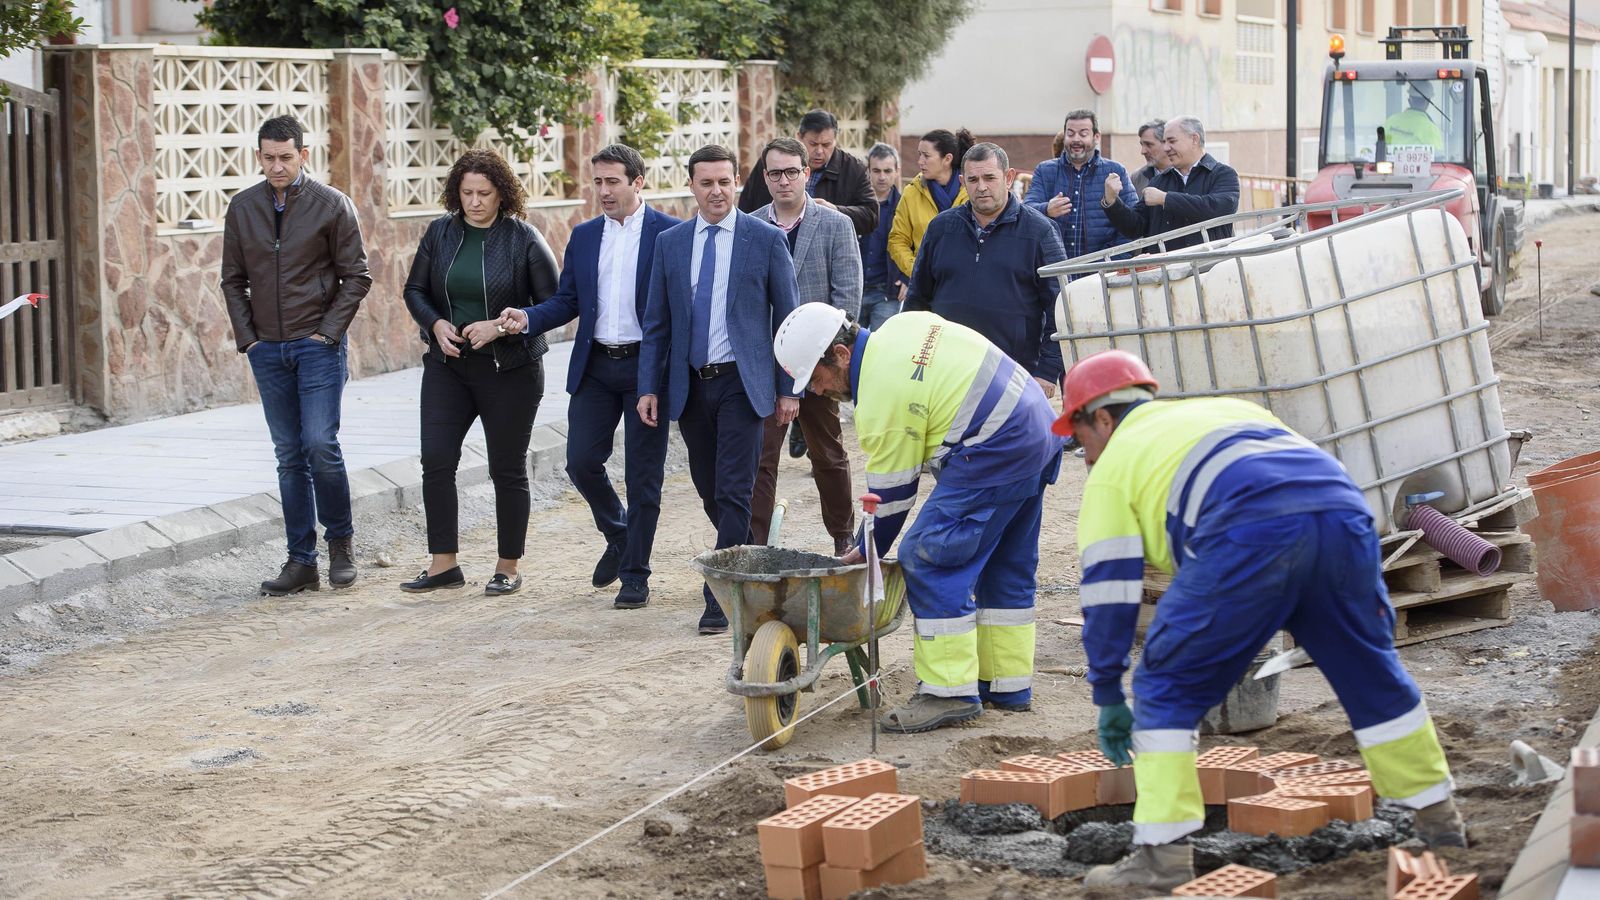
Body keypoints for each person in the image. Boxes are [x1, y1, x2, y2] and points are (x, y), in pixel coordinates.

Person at [1058, 349, 1467, 889]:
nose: (1082, 455)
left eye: (1079, 436)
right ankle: (1440, 822)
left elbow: (1110, 593)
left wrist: (1108, 690)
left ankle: (1159, 861)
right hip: (1343, 518)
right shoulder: (1228, 410)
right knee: (1373, 676)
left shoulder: (1114, 466)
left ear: (1103, 418)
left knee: (1163, 687)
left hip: (1246, 534)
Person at [772, 305, 1062, 731]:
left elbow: (890, 498)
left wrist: (862, 550)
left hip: (997, 446)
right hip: (1037, 428)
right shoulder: (902, 327)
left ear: (840, 354)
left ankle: (947, 693)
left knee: (928, 556)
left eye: (816, 379)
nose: (816, 392)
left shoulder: (880, 395)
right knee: (1004, 564)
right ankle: (1007, 686)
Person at [497, 144, 679, 610]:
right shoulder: (584, 235)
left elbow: (678, 313)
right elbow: (568, 301)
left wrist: (661, 378)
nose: (603, 191)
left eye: (612, 181)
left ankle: (635, 574)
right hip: (596, 366)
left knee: (644, 477)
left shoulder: (670, 235)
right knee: (580, 461)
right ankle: (618, 533)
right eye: (597, 182)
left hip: (646, 368)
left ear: (638, 182)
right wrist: (530, 317)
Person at [636, 145, 800, 635]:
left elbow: (788, 318)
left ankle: (720, 597)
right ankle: (749, 551)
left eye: (724, 182)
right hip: (690, 385)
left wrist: (789, 389)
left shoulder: (764, 239)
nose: (716, 191)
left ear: (736, 184)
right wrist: (649, 385)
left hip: (743, 383)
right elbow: (657, 323)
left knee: (733, 492)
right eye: (706, 183)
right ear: (692, 186)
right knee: (710, 490)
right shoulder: (671, 243)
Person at [222, 115, 371, 596]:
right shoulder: (243, 208)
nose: (277, 166)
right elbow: (232, 279)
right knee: (289, 456)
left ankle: (341, 547)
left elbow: (358, 276)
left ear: (303, 155)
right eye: (268, 157)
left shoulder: (332, 205)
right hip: (268, 349)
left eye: (286, 157)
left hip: (317, 348)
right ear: (259, 155)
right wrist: (251, 340)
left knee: (319, 445)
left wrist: (327, 334)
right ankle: (300, 561)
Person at [399, 149, 558, 596]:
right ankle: (443, 564)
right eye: (466, 193)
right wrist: (434, 323)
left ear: (501, 193)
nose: (474, 202)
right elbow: (414, 290)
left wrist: (502, 327)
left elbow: (554, 305)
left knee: (506, 469)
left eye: (483, 193)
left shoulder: (523, 238)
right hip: (448, 367)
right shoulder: (439, 233)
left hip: (510, 370)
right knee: (436, 461)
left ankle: (507, 565)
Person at [747, 138, 862, 554]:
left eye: (792, 171)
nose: (783, 180)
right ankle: (756, 547)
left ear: (806, 174)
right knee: (762, 459)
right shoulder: (752, 225)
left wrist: (823, 358)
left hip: (818, 365)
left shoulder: (834, 225)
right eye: (775, 173)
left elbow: (847, 297)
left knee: (827, 454)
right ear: (765, 177)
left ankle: (843, 537)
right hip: (765, 364)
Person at [903, 143, 1065, 398]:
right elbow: (917, 299)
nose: (981, 187)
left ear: (1008, 177)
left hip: (1013, 373)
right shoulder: (941, 229)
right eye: (973, 179)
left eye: (990, 177)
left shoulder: (1039, 232)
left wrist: (1047, 370)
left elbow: (1059, 306)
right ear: (962, 182)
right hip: (947, 371)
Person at [1104, 115, 1240, 251]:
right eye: (1164, 142)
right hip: (1165, 270)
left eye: (1172, 141)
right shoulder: (1159, 181)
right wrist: (1112, 201)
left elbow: (1217, 209)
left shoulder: (1223, 174)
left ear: (1194, 139)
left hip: (1209, 269)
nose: (1166, 148)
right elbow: (1135, 227)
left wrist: (1165, 199)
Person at [739, 108, 877, 236]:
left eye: (826, 145)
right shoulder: (772, 162)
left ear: (835, 140)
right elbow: (746, 209)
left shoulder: (854, 169)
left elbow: (871, 216)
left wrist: (835, 210)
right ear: (799, 136)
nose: (819, 151)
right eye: (813, 144)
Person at [1024, 109, 1138, 261]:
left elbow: (1132, 224)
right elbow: (1026, 210)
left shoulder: (1115, 171)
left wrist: (1111, 262)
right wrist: (1046, 209)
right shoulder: (1045, 171)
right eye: (1070, 134)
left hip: (1102, 272)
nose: (1076, 139)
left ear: (1096, 137)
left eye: (1083, 134)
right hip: (1055, 270)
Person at [887, 128, 972, 303]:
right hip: (924, 289)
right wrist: (917, 270)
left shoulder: (971, 191)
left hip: (966, 286)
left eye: (926, 156)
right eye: (919, 155)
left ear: (947, 159)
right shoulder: (912, 192)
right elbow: (897, 240)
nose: (920, 161)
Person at [858, 142, 907, 330]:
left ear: (897, 171)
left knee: (881, 348)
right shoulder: (856, 204)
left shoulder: (905, 206)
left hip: (887, 291)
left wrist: (908, 277)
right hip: (856, 290)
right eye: (876, 171)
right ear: (868, 170)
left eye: (887, 171)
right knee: (850, 351)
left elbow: (917, 245)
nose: (882, 177)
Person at [1383, 87, 1446, 152]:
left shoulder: (1391, 121)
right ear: (1427, 103)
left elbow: (1380, 147)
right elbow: (1438, 156)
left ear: (1409, 101)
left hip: (1390, 162)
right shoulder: (1431, 129)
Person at [1130, 119, 1168, 193]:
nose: (1143, 151)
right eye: (1142, 145)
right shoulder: (1137, 177)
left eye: (1149, 145)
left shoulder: (1184, 175)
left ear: (1166, 143)